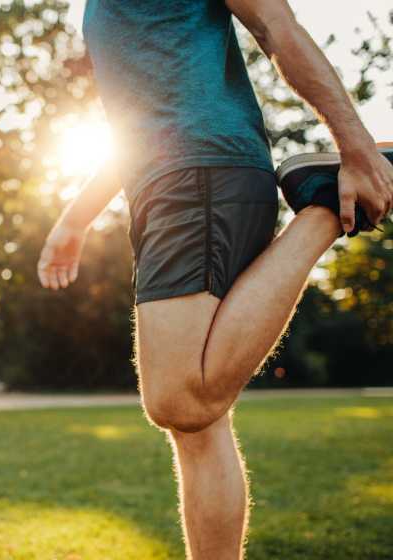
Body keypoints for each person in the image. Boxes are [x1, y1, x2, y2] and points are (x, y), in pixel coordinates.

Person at [38, 1, 393, 559]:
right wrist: (74, 221)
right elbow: (135, 127)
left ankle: (323, 207)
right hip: (172, 184)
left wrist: (357, 148)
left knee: (179, 400)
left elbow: (275, 25)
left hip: (200, 175)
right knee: (199, 429)